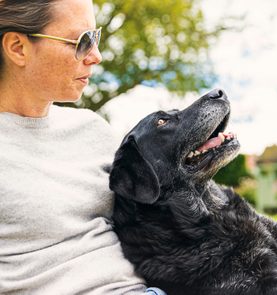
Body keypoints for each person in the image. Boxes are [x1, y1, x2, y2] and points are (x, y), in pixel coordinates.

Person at [0, 0, 166, 294]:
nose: (96, 56)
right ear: (17, 47)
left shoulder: (93, 130)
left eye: (95, 37)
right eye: (81, 41)